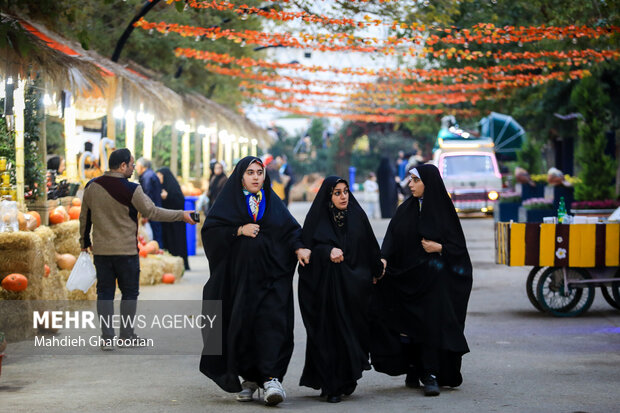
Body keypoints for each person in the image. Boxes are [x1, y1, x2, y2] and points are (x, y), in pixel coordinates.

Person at [199, 156, 311, 406]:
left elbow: (290, 229)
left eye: (259, 172)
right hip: (238, 283)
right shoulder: (228, 202)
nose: (256, 177)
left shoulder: (272, 201)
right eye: (250, 173)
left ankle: (271, 379)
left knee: (271, 325)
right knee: (242, 328)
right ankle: (249, 379)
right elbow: (211, 231)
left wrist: (299, 248)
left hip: (271, 279)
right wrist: (238, 230)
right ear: (241, 176)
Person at [370, 164, 472, 397]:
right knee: (406, 324)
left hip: (435, 282)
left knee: (431, 325)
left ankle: (431, 374)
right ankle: (413, 368)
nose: (411, 184)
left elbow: (460, 250)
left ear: (429, 182)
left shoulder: (443, 211)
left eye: (415, 180)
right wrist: (383, 260)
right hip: (408, 279)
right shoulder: (405, 209)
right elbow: (392, 238)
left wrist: (440, 248)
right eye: (410, 180)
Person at [78, 149, 196, 350]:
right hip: (126, 251)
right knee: (129, 293)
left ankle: (107, 338)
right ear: (123, 166)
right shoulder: (132, 189)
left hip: (102, 251)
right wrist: (181, 215)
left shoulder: (91, 186)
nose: (134, 169)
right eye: (132, 165)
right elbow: (153, 212)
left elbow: (84, 217)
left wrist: (84, 242)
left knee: (104, 292)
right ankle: (126, 335)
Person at [298, 177, 384, 403]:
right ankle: (331, 384)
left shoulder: (357, 216)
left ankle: (346, 379)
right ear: (328, 196)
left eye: (345, 191)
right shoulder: (318, 219)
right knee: (329, 335)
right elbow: (306, 251)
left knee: (353, 335)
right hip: (326, 291)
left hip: (355, 289)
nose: (343, 196)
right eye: (337, 193)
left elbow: (371, 247)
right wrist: (326, 251)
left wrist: (377, 271)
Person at [156, 167, 190, 270]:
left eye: (160, 176)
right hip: (167, 222)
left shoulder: (173, 188)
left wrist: (168, 197)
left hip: (176, 223)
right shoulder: (161, 187)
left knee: (177, 242)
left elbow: (179, 201)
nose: (158, 178)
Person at [136, 158, 163, 246]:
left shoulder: (147, 176)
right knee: (156, 233)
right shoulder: (150, 175)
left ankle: (158, 251)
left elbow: (147, 195)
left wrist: (145, 214)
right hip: (156, 208)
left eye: (137, 165)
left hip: (152, 210)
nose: (135, 168)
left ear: (142, 166)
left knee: (155, 235)